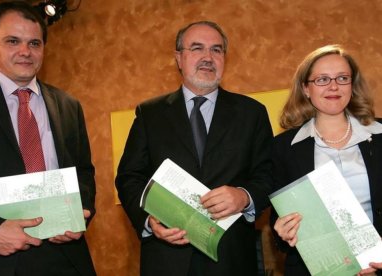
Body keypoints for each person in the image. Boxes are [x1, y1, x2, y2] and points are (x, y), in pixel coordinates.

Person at [115, 20, 273, 276]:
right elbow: (129, 177)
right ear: (179, 58)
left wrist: (244, 196)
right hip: (167, 259)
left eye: (217, 50)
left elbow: (268, 175)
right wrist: (148, 220)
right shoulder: (150, 114)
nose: (208, 57)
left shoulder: (251, 113)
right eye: (197, 48)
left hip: (231, 259)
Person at [0, 1, 96, 275]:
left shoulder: (68, 105)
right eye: (13, 41)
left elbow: (83, 172)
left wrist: (80, 210)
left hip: (66, 258)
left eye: (34, 43)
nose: (25, 52)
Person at [270, 44, 382, 276]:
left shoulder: (380, 135)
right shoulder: (283, 148)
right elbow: (279, 226)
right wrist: (282, 230)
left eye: (342, 78)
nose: (333, 86)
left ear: (352, 85)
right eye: (322, 79)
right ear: (306, 88)